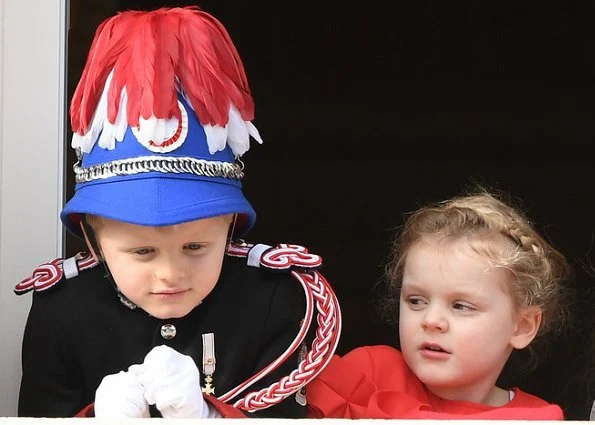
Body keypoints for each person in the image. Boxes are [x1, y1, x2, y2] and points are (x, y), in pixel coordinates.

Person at [15, 6, 340, 419]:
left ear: (230, 228)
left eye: (195, 246)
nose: (170, 273)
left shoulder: (272, 300)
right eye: (143, 252)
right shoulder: (62, 311)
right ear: (94, 236)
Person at [307, 189, 570, 420]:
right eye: (416, 301)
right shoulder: (366, 376)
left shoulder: (537, 418)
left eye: (461, 306)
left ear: (521, 326)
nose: (431, 320)